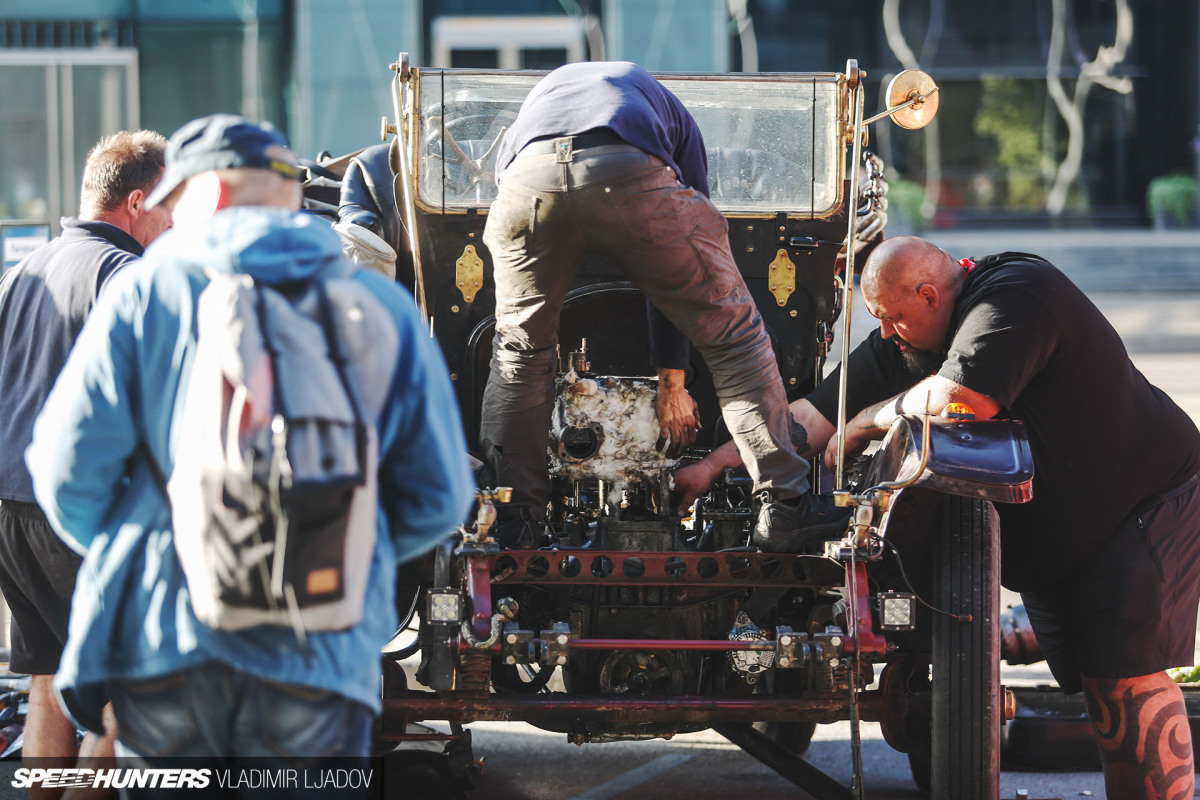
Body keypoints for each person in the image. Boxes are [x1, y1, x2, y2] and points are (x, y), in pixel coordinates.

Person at [26, 114, 473, 794]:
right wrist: (344, 547)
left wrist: (153, 542)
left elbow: (65, 472)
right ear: (289, 194)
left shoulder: (147, 295)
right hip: (323, 652)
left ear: (194, 194)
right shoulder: (378, 307)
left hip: (170, 646)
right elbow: (441, 496)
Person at [675, 236, 1200, 799]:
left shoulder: (1018, 293)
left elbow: (960, 400)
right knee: (1100, 690)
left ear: (929, 294)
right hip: (1061, 546)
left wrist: (870, 418)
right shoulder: (901, 343)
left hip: (1144, 504)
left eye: (891, 317)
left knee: (1126, 682)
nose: (883, 332)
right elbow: (808, 418)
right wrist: (710, 466)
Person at [481, 60, 846, 548]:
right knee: (736, 340)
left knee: (519, 356)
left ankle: (513, 519)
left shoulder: (536, 109)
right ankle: (784, 505)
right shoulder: (666, 112)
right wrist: (670, 381)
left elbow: (511, 189)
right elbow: (674, 270)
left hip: (526, 181)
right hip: (624, 170)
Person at [0, 129, 170, 799]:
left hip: (11, 510)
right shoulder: (125, 276)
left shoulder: (23, 272)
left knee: (49, 677)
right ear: (137, 201)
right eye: (170, 209)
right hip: (77, 517)